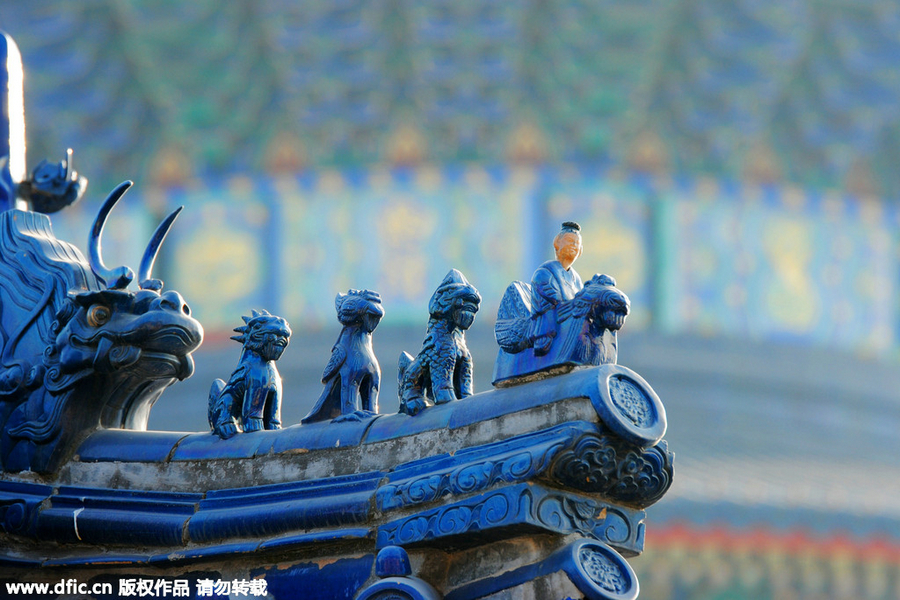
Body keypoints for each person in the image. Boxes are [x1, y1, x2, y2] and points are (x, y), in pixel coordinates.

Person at [531, 221, 584, 355]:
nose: (573, 245)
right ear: (557, 243)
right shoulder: (544, 273)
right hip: (550, 330)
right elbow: (556, 301)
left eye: (577, 243)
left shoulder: (577, 280)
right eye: (569, 240)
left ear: (581, 251)